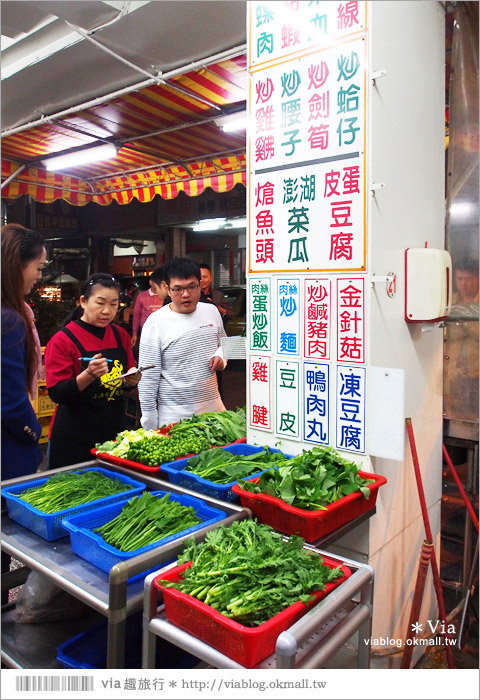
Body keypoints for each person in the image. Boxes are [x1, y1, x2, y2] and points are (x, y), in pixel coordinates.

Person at [44, 273, 142, 469]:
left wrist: (130, 381)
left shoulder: (120, 335)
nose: (107, 311)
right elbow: (57, 394)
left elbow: (124, 381)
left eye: (114, 304)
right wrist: (88, 375)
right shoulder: (62, 340)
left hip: (113, 431)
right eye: (100, 303)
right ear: (83, 301)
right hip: (74, 435)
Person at [138, 257, 227, 428]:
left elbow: (225, 345)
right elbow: (148, 379)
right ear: (167, 288)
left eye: (191, 287)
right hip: (175, 418)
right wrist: (149, 426)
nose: (185, 294)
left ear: (200, 285)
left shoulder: (211, 311)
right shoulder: (155, 322)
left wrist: (220, 357)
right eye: (178, 289)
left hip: (215, 414)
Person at [1, 223, 47, 481]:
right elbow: (9, 399)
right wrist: (33, 432)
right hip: (8, 450)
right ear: (16, 265)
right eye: (38, 268)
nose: (39, 276)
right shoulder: (8, 320)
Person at [444, 259, 479, 421]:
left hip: (476, 371)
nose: (463, 284)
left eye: (468, 279)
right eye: (460, 279)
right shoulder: (448, 301)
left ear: (476, 278)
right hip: (453, 369)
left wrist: (465, 318)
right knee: (454, 414)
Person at [131, 266, 169, 349]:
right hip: (146, 331)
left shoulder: (168, 298)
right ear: (151, 282)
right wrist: (134, 334)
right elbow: (136, 315)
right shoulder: (141, 296)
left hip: (163, 331)